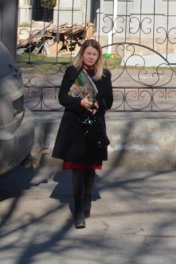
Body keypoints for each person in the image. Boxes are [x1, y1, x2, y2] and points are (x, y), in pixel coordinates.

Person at [52, 38, 113, 229]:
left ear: (98, 56)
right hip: (75, 126)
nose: (91, 57)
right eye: (88, 53)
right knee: (78, 168)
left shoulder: (104, 75)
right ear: (82, 54)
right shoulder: (72, 72)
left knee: (90, 168)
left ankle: (87, 198)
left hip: (93, 126)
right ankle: (78, 210)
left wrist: (97, 104)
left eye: (95, 54)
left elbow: (109, 100)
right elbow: (62, 97)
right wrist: (79, 103)